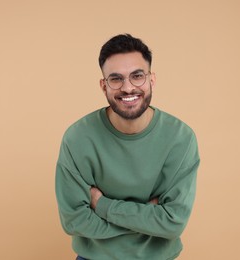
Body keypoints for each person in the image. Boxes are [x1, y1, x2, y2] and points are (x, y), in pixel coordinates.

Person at [55, 34, 200, 260]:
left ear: (151, 79)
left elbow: (173, 223)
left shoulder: (180, 139)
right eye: (116, 79)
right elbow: (74, 220)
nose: (128, 87)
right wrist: (150, 219)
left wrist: (102, 206)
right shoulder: (77, 138)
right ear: (104, 86)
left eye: (137, 76)